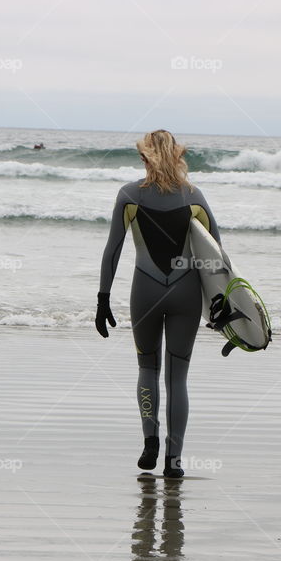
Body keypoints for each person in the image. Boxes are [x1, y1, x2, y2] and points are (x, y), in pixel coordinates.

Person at [95, 130, 220, 478]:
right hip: (186, 294)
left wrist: (103, 298)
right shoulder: (195, 196)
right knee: (177, 379)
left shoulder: (129, 195)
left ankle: (150, 441)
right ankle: (174, 460)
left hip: (145, 292)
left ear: (144, 157)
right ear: (178, 156)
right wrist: (221, 306)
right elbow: (216, 258)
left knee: (147, 369)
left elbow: (113, 250)